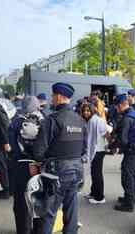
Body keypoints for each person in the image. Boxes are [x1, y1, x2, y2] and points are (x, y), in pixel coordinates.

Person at [39, 82, 87, 234]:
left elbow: (39, 150)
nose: (52, 99)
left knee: (49, 212)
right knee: (71, 210)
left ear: (59, 97)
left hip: (57, 171)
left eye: (53, 96)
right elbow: (84, 148)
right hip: (77, 170)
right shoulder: (80, 120)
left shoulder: (52, 119)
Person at [9, 96, 47, 234]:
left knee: (21, 202)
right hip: (40, 165)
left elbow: (12, 144)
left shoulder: (16, 121)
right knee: (40, 198)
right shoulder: (45, 120)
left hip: (21, 165)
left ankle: (23, 230)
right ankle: (40, 230)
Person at [111, 94, 135, 212]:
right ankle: (130, 197)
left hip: (131, 150)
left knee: (127, 175)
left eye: (116, 106)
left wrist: (111, 146)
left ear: (120, 105)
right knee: (134, 174)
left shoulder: (126, 119)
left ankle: (129, 204)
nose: (115, 109)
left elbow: (122, 140)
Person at [81, 103, 112, 204]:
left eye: (88, 110)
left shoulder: (97, 120)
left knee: (97, 173)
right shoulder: (90, 120)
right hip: (95, 150)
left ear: (93, 110)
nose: (86, 112)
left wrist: (110, 146)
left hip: (99, 151)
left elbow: (106, 133)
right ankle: (94, 193)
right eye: (84, 111)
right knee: (94, 173)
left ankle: (100, 197)